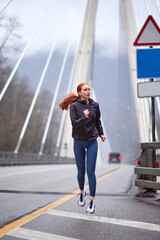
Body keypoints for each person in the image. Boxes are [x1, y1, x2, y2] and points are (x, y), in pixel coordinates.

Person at [59, 83, 106, 214]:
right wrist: (84, 118)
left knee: (91, 171)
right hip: (78, 141)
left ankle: (92, 201)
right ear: (79, 92)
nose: (88, 91)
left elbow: (98, 121)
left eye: (89, 89)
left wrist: (101, 133)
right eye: (85, 90)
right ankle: (81, 192)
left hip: (92, 140)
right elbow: (74, 124)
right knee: (81, 171)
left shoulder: (95, 105)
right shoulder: (74, 106)